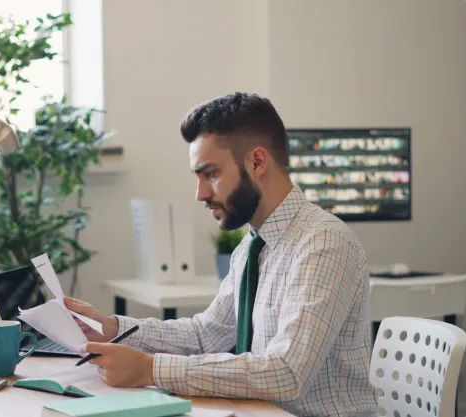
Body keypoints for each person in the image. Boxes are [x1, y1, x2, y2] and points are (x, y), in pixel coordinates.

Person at [64, 92, 377, 417]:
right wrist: (114, 328)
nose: (200, 194)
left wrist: (150, 370)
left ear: (257, 162)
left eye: (210, 174)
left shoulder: (323, 243)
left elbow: (286, 374)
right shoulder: (251, 246)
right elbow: (206, 335)